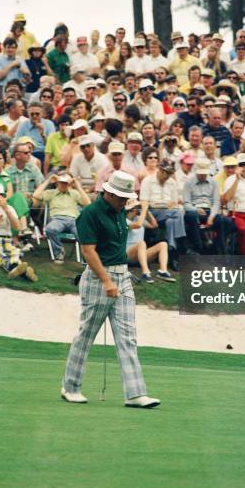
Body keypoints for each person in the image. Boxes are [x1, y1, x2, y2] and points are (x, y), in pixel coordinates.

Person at [61, 170, 160, 408]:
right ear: (107, 193)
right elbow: (89, 252)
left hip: (123, 277)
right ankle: (70, 387)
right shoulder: (90, 214)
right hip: (98, 278)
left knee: (128, 337)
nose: (125, 202)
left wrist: (119, 275)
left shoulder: (119, 211)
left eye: (127, 197)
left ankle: (135, 393)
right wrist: (107, 280)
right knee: (87, 334)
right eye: (121, 197)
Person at [32, 172, 91, 263]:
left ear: (69, 183)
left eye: (66, 183)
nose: (64, 185)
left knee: (84, 233)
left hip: (73, 220)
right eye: (62, 182)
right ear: (57, 182)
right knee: (50, 229)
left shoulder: (74, 193)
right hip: (57, 219)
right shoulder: (51, 193)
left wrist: (78, 186)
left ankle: (86, 256)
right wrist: (48, 181)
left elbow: (88, 204)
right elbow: (35, 195)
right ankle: (59, 252)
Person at [183, 157, 235, 254]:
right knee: (192, 216)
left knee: (226, 221)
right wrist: (195, 208)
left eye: (204, 173)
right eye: (200, 173)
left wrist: (211, 216)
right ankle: (199, 247)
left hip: (209, 210)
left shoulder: (213, 182)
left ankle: (215, 247)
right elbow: (186, 203)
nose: (203, 176)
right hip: (194, 210)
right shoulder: (189, 182)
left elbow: (216, 202)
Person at [125, 198, 175, 283]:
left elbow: (154, 225)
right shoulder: (122, 220)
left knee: (163, 244)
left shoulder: (137, 218)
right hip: (127, 254)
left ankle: (163, 271)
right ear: (131, 209)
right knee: (141, 243)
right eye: (137, 207)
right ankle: (145, 273)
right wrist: (144, 209)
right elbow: (138, 225)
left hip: (141, 254)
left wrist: (147, 211)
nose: (139, 209)